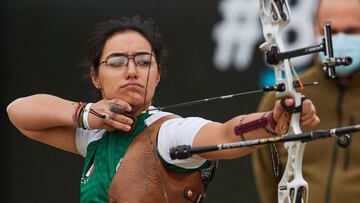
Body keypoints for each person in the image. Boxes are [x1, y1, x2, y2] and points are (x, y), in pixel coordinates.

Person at [6, 16, 319, 203]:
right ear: (95, 76)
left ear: (157, 75)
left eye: (143, 61)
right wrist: (83, 114)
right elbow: (20, 113)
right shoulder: (93, 137)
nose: (131, 70)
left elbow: (224, 132)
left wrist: (273, 120)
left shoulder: (168, 133)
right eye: (116, 62)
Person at [252, 0, 360, 203]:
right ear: (315, 29)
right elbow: (268, 171)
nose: (340, 40)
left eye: (352, 31)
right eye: (331, 31)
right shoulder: (286, 98)